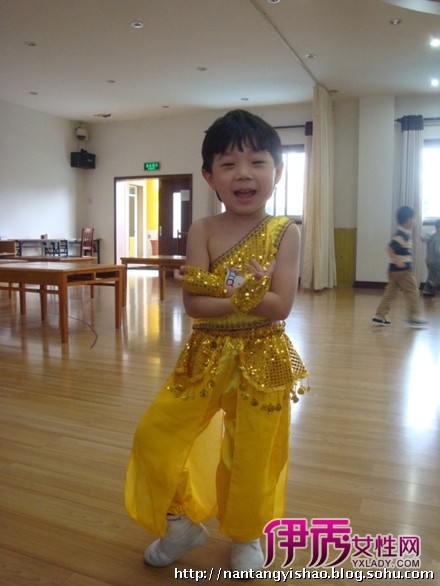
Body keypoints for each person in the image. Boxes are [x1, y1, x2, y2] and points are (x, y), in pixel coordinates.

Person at [124, 109, 308, 572]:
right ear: (210, 177)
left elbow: (280, 305)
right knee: (155, 435)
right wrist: (246, 291)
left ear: (277, 171)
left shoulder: (285, 232)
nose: (243, 173)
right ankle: (180, 523)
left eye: (257, 162)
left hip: (264, 357)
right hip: (204, 356)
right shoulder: (203, 230)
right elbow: (194, 305)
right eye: (228, 164)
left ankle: (246, 535)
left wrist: (222, 288)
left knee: (253, 453)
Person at [372, 205, 426, 326]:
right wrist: (398, 261)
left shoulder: (404, 233)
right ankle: (414, 316)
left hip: (394, 271)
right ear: (408, 220)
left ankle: (379, 316)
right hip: (402, 271)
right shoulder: (401, 235)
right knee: (413, 291)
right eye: (413, 218)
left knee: (390, 293)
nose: (415, 221)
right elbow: (389, 248)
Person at [421, 219, 440, 297]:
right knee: (436, 276)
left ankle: (427, 291)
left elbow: (422, 236)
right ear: (438, 228)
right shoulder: (438, 236)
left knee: (431, 275)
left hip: (429, 259)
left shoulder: (432, 234)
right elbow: (437, 250)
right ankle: (432, 285)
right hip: (436, 260)